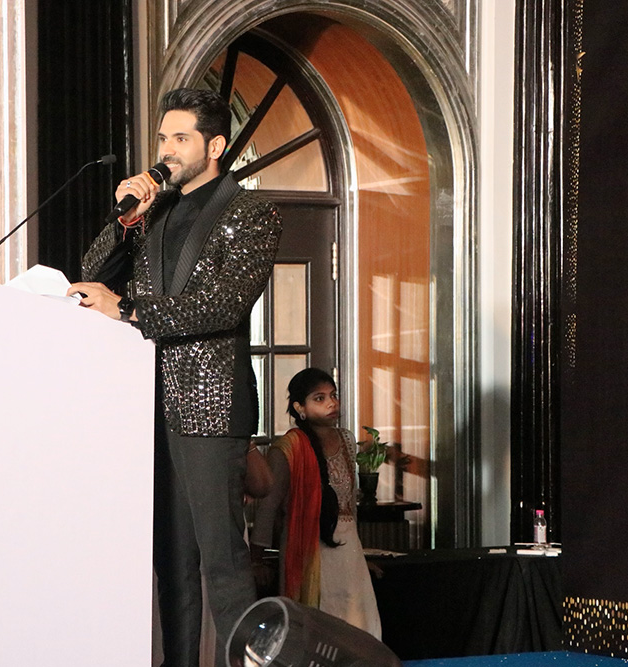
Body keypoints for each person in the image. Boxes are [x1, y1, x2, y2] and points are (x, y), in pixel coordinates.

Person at [68, 88, 282, 667]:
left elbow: (222, 306)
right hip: (146, 406)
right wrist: (126, 218)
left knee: (222, 561)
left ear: (214, 145)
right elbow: (92, 273)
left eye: (180, 138)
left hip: (210, 406)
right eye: (163, 137)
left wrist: (128, 310)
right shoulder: (154, 212)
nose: (166, 149)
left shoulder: (250, 213)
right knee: (172, 560)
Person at [249, 367, 382, 639]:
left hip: (348, 553)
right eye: (319, 398)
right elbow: (268, 508)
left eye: (333, 395)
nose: (331, 403)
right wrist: (257, 561)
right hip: (308, 552)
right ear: (300, 408)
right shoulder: (288, 448)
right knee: (319, 634)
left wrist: (360, 556)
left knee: (360, 633)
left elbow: (349, 505)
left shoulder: (346, 439)